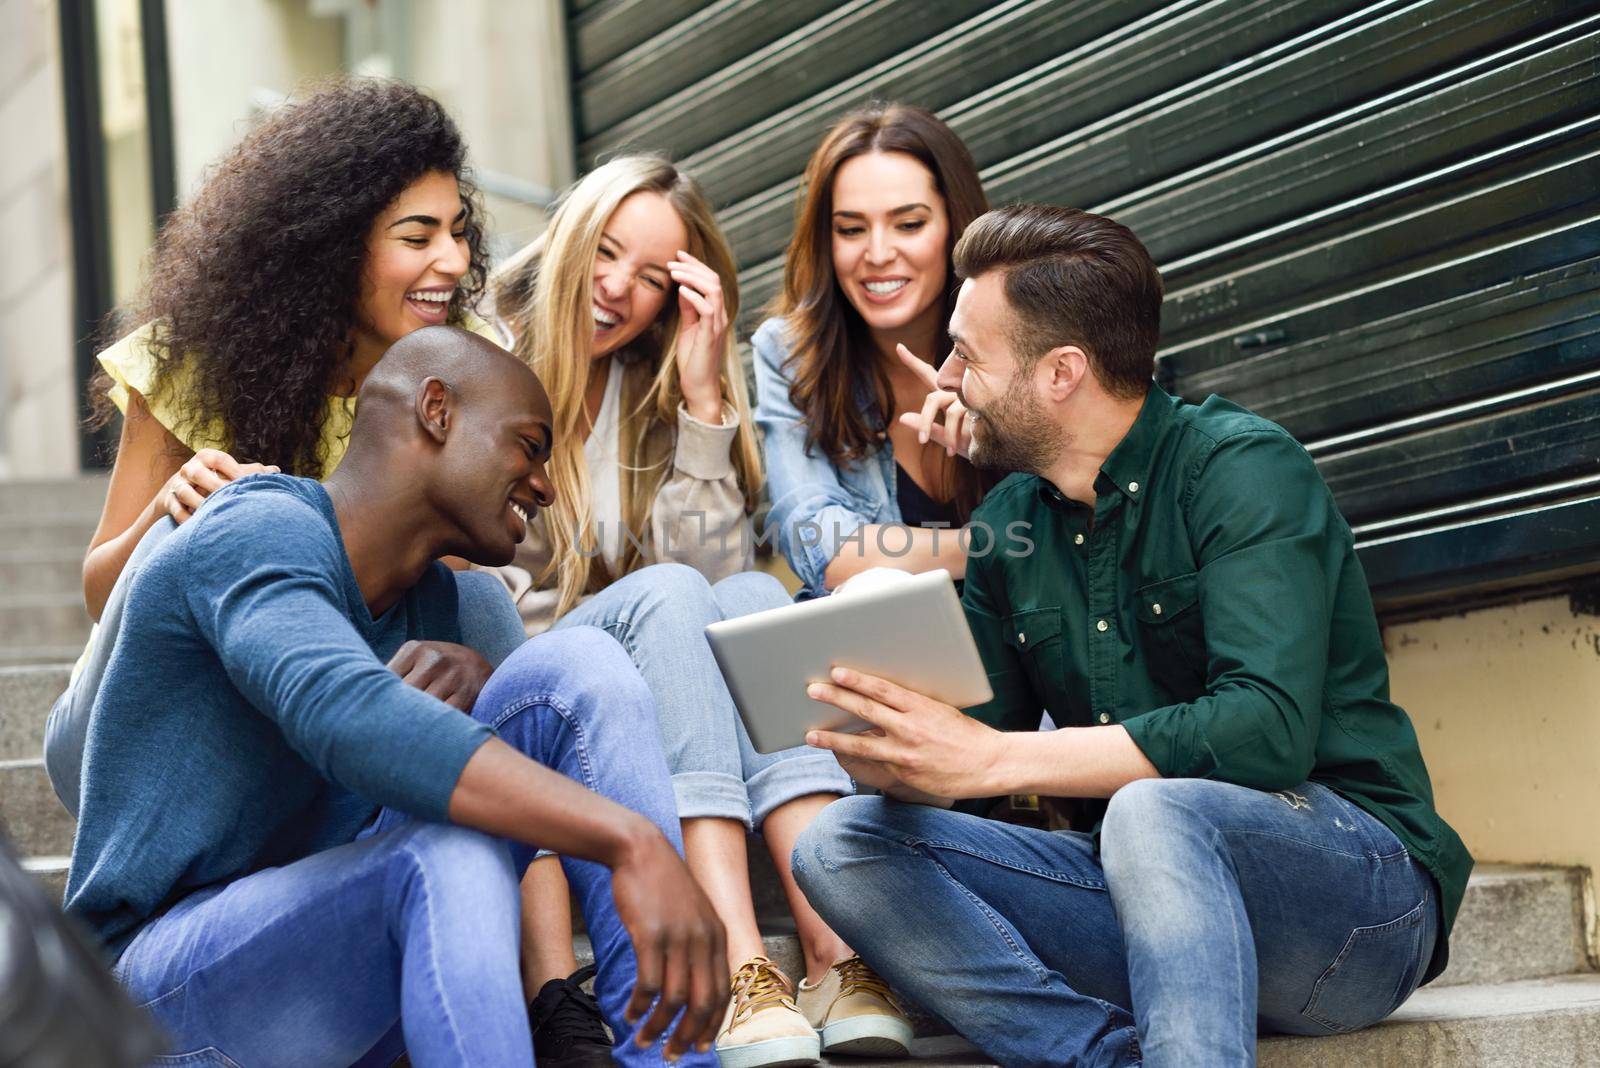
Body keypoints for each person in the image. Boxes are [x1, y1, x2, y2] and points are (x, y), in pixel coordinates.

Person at [792, 205, 1475, 1067]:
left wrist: (995, 759)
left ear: (1061, 373)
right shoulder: (1013, 523)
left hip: (1356, 910)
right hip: (1144, 908)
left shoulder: (1241, 470)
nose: (947, 377)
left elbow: (1265, 731)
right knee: (842, 844)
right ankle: (1100, 1056)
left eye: (968, 353)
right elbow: (972, 760)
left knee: (1154, 807)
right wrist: (893, 746)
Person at [65, 326, 728, 1067]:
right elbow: (342, 714)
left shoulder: (443, 607)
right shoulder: (256, 524)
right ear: (436, 410)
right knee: (439, 857)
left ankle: (672, 1058)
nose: (544, 484)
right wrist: (629, 839)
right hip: (154, 998)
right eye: (529, 446)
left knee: (579, 663)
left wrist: (489, 689)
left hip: (336, 970)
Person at [485, 156, 908, 1066]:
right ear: (568, 238)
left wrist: (705, 394)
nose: (616, 292)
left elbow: (711, 572)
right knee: (684, 597)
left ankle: (835, 956)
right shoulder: (486, 357)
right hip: (537, 681)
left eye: (649, 278)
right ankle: (737, 962)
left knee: (756, 598)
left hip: (649, 651)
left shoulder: (650, 382)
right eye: (605, 254)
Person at [47, 77, 527, 815]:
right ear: (333, 246)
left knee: (476, 599)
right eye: (417, 236)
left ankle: (535, 873)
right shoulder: (190, 363)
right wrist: (169, 519)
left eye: (458, 230)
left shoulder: (461, 368)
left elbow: (437, 586)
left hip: (326, 704)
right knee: (207, 529)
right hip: (143, 720)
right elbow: (99, 591)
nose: (455, 261)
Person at [753, 105, 989, 599]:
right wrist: (992, 548)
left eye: (908, 224)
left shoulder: (1023, 332)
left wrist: (1001, 440)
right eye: (851, 229)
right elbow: (822, 546)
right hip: (888, 648)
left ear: (955, 224)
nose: (878, 254)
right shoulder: (790, 355)